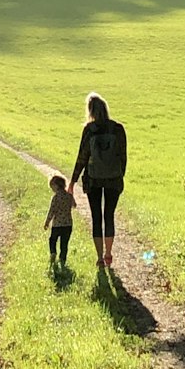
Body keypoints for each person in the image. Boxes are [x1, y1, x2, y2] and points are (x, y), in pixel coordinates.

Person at [69, 92, 127, 268]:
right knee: (109, 215)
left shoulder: (89, 130)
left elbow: (82, 157)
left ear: (90, 111)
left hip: (93, 180)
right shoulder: (118, 129)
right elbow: (123, 157)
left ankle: (100, 258)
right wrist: (118, 175)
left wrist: (72, 182)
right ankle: (109, 254)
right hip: (113, 179)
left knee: (96, 217)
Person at [43, 174, 76, 266]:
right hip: (68, 224)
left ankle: (53, 252)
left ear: (56, 186)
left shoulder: (56, 197)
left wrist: (47, 222)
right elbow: (74, 205)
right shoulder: (69, 196)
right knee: (64, 244)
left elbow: (51, 211)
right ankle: (62, 259)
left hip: (57, 224)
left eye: (52, 187)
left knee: (52, 240)